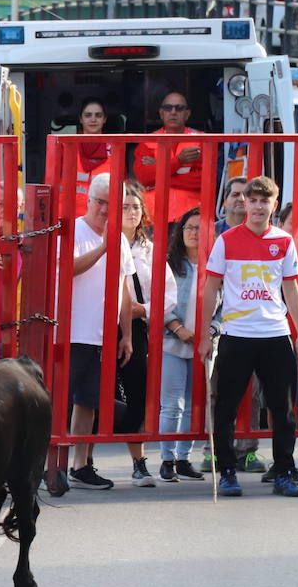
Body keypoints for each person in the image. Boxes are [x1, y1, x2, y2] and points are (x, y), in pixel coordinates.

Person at [196, 175, 298, 498]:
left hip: (275, 334)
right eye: (253, 200)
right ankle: (228, 471)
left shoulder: (285, 241)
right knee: (226, 407)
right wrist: (205, 336)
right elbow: (211, 288)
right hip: (236, 334)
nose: (259, 206)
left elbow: (291, 287)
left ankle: (284, 472)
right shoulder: (227, 240)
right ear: (245, 203)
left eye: (265, 201)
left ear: (274, 205)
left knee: (283, 409)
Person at [67, 172, 134, 491]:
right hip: (72, 330)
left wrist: (127, 334)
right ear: (88, 200)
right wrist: (103, 247)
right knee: (61, 399)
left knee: (90, 401)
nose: (106, 210)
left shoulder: (119, 238)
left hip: (103, 333)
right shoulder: (73, 231)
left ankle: (81, 464)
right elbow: (67, 270)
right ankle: (49, 463)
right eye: (101, 202)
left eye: (113, 204)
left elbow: (124, 287)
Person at [116, 184, 176, 486]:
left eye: (135, 207)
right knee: (89, 396)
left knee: (138, 392)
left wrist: (145, 310)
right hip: (99, 326)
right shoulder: (101, 242)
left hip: (136, 326)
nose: (131, 212)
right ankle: (81, 463)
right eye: (125, 206)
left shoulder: (150, 250)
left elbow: (169, 294)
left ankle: (139, 463)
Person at [157, 206, 205, 482]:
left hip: (203, 344)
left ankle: (184, 458)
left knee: (193, 404)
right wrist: (178, 328)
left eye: (200, 228)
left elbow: (224, 306)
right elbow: (159, 301)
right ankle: (167, 459)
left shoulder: (214, 263)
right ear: (181, 232)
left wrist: (211, 330)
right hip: (172, 342)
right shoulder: (169, 263)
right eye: (189, 228)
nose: (194, 233)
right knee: (172, 403)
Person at [132, 91, 204, 223]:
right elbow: (144, 178)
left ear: (187, 114)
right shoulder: (147, 142)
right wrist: (178, 161)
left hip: (190, 221)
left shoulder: (201, 140)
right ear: (161, 113)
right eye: (168, 108)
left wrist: (158, 171)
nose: (173, 112)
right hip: (153, 219)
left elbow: (202, 180)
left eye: (179, 108)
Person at [74, 97, 111, 217]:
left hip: (103, 218)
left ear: (105, 119)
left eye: (98, 115)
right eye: (88, 115)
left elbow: (122, 187)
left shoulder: (116, 149)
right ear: (81, 119)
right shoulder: (65, 147)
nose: (93, 119)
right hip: (70, 219)